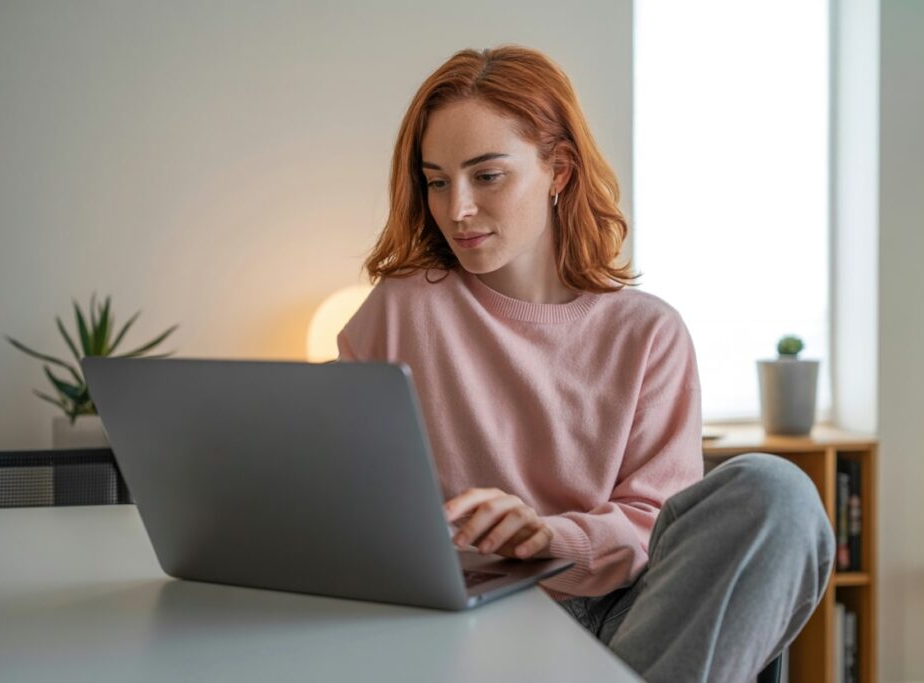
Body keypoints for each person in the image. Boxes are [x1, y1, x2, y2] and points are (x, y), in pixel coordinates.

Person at [337, 45, 835, 682]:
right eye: (437, 181)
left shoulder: (648, 332)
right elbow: (358, 506)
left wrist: (547, 539)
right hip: (474, 618)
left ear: (559, 171)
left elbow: (654, 526)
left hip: (630, 613)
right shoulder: (399, 312)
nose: (456, 207)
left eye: (487, 176)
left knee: (778, 493)